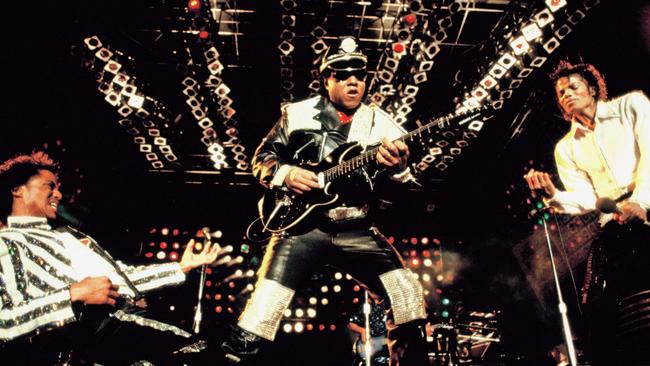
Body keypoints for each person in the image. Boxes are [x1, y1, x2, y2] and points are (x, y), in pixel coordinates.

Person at [221, 36, 428, 365]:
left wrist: (401, 172)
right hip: (303, 227)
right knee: (263, 309)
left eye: (359, 75)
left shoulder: (383, 124)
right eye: (343, 75)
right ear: (326, 79)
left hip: (356, 225)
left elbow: (409, 194)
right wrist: (286, 174)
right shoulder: (297, 114)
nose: (353, 82)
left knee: (407, 296)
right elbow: (263, 158)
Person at [0, 151, 229, 364]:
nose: (58, 194)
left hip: (119, 329)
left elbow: (117, 281)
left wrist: (181, 267)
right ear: (17, 189)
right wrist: (72, 295)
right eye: (49, 186)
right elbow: (4, 323)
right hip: (85, 340)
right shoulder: (6, 241)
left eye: (59, 187)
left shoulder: (66, 236)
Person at [524, 60, 650, 365]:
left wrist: (642, 202)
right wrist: (554, 195)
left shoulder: (631, 106)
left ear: (593, 89)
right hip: (616, 221)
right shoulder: (566, 148)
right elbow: (587, 199)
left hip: (646, 204)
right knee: (599, 305)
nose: (567, 93)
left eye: (574, 86)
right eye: (561, 92)